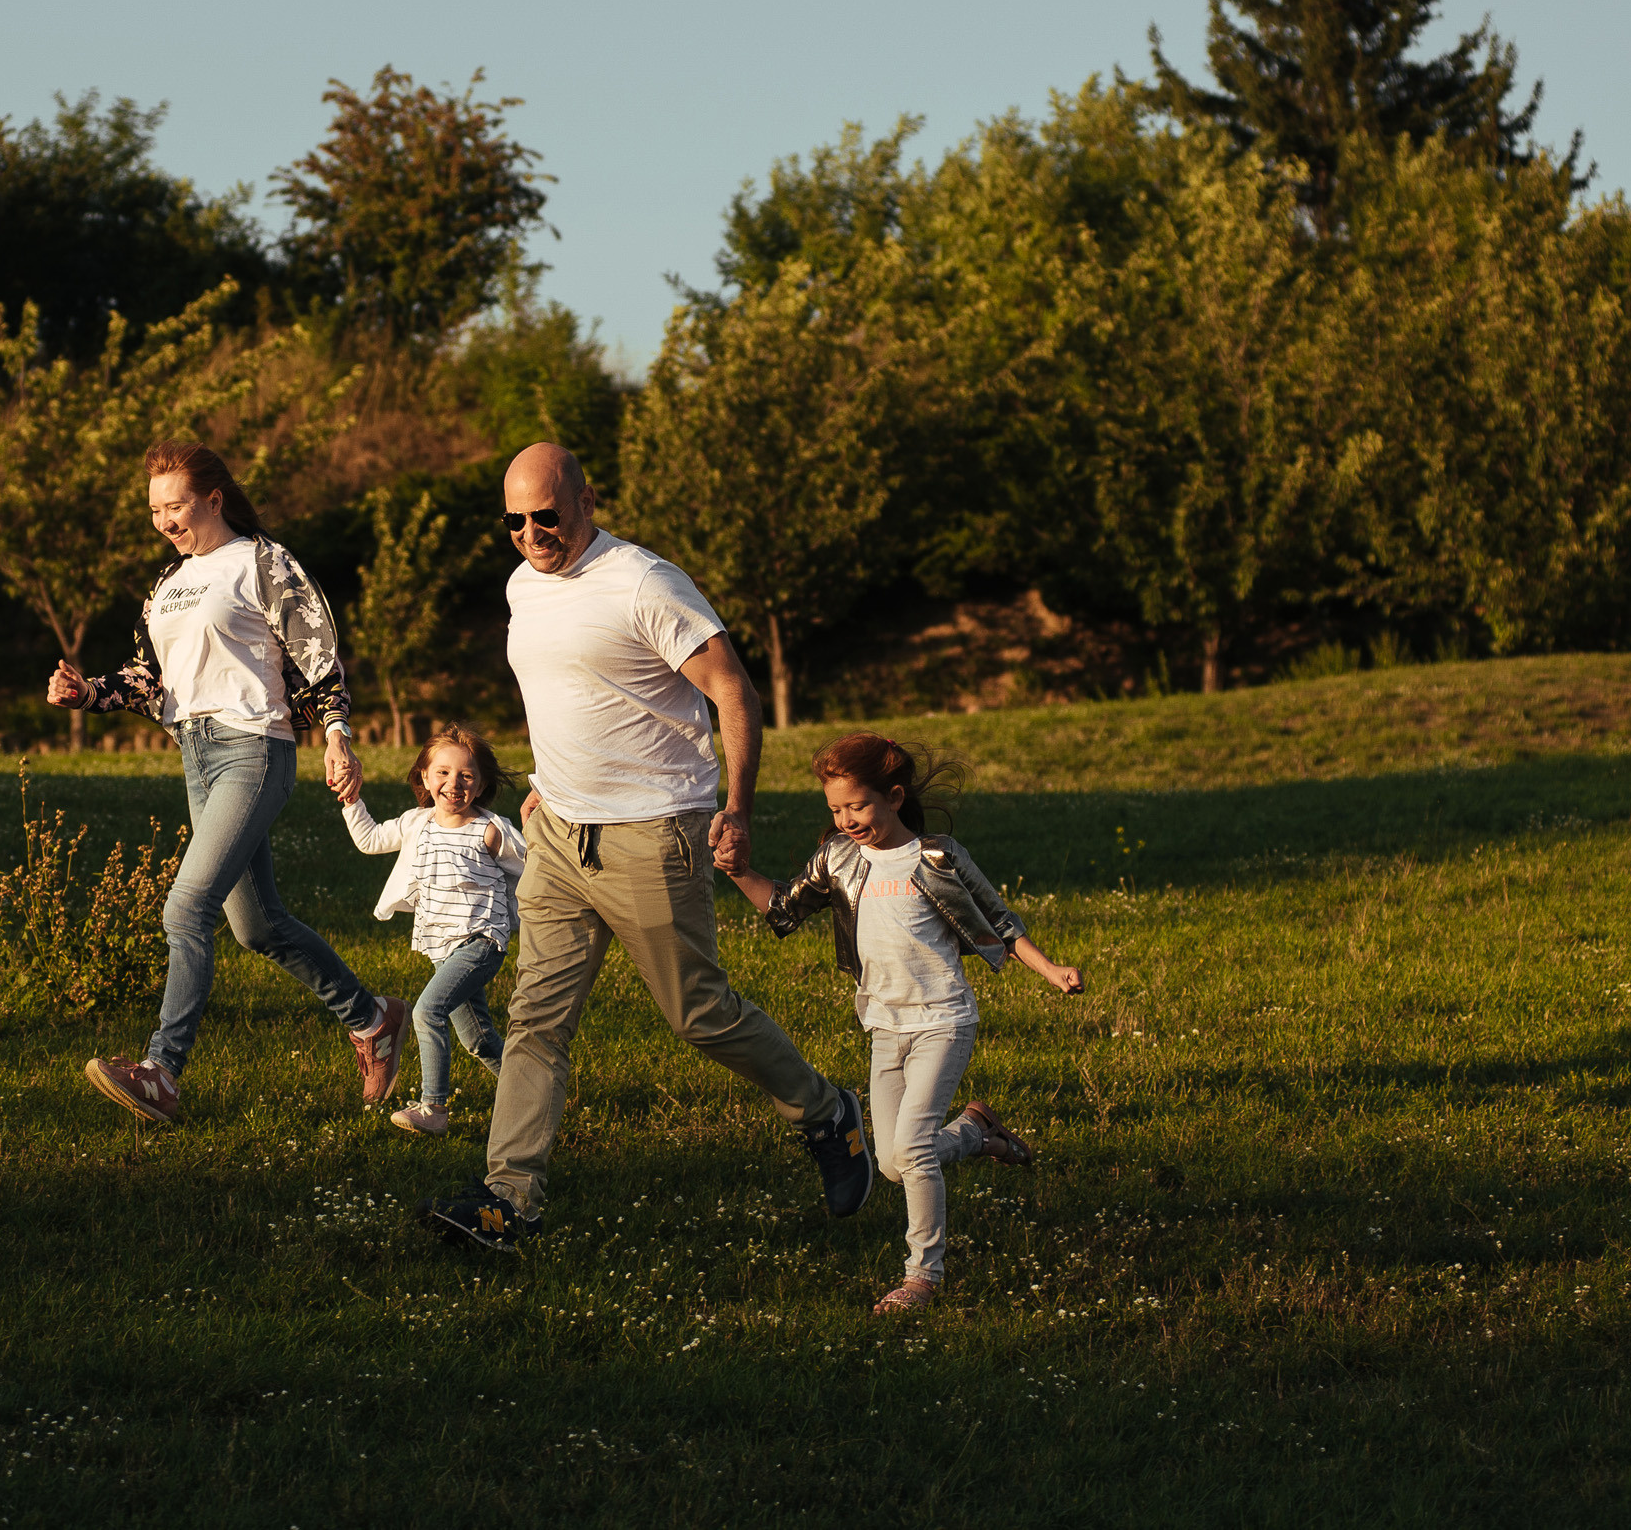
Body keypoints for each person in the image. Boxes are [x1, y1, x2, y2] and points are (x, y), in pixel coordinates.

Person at [417, 443, 871, 1250]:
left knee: (698, 1013)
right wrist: (547, 780)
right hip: (558, 838)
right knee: (535, 1020)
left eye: (546, 516)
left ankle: (827, 1111)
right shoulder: (524, 584)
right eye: (514, 521)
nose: (531, 534)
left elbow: (733, 688)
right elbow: (566, 688)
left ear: (588, 501)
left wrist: (736, 804)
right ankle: (508, 1196)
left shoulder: (644, 582)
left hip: (654, 835)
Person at [56, 439, 406, 1125]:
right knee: (256, 924)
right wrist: (87, 691)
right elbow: (147, 676)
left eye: (176, 504)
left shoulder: (262, 562)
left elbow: (318, 657)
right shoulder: (167, 583)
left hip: (254, 749)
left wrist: (338, 736)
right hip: (196, 752)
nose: (164, 519)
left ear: (213, 498)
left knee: (186, 907)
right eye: (155, 508)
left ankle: (162, 1070)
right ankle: (373, 1017)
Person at [726, 732, 1084, 1313]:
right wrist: (739, 870)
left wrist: (1051, 969)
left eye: (857, 806)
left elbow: (998, 919)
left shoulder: (937, 858)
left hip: (943, 1018)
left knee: (912, 1152)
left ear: (893, 797)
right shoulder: (839, 859)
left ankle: (924, 1276)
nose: (846, 820)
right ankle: (976, 1131)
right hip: (883, 1025)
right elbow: (783, 908)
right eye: (835, 810)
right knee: (893, 1164)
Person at [337, 723, 527, 1139]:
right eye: (442, 772)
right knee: (477, 1038)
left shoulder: (490, 830)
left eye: (465, 775)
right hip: (441, 945)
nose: (453, 783)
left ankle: (433, 1108)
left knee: (427, 1012)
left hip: (481, 941)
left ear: (480, 784)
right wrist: (352, 800)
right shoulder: (416, 823)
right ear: (424, 777)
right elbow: (370, 840)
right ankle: (534, 1097)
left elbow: (532, 873)